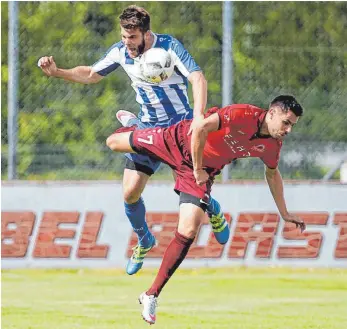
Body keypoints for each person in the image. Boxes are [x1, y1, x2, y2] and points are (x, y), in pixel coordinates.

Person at [38, 5, 229, 275]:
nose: (128, 43)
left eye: (133, 38)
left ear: (146, 34)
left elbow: (197, 77)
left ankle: (213, 208)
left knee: (195, 184)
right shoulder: (120, 51)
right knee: (129, 193)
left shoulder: (169, 47)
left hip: (181, 128)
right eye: (124, 36)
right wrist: (59, 72)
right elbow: (92, 74)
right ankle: (144, 239)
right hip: (149, 129)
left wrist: (198, 116)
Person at [106, 95, 306, 324]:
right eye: (286, 122)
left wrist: (284, 212)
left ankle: (151, 294)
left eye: (292, 125)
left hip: (199, 171)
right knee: (113, 142)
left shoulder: (272, 145)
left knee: (189, 230)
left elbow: (272, 173)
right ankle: (136, 125)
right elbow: (200, 127)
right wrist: (199, 167)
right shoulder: (243, 114)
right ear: (271, 113)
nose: (288, 130)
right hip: (177, 140)